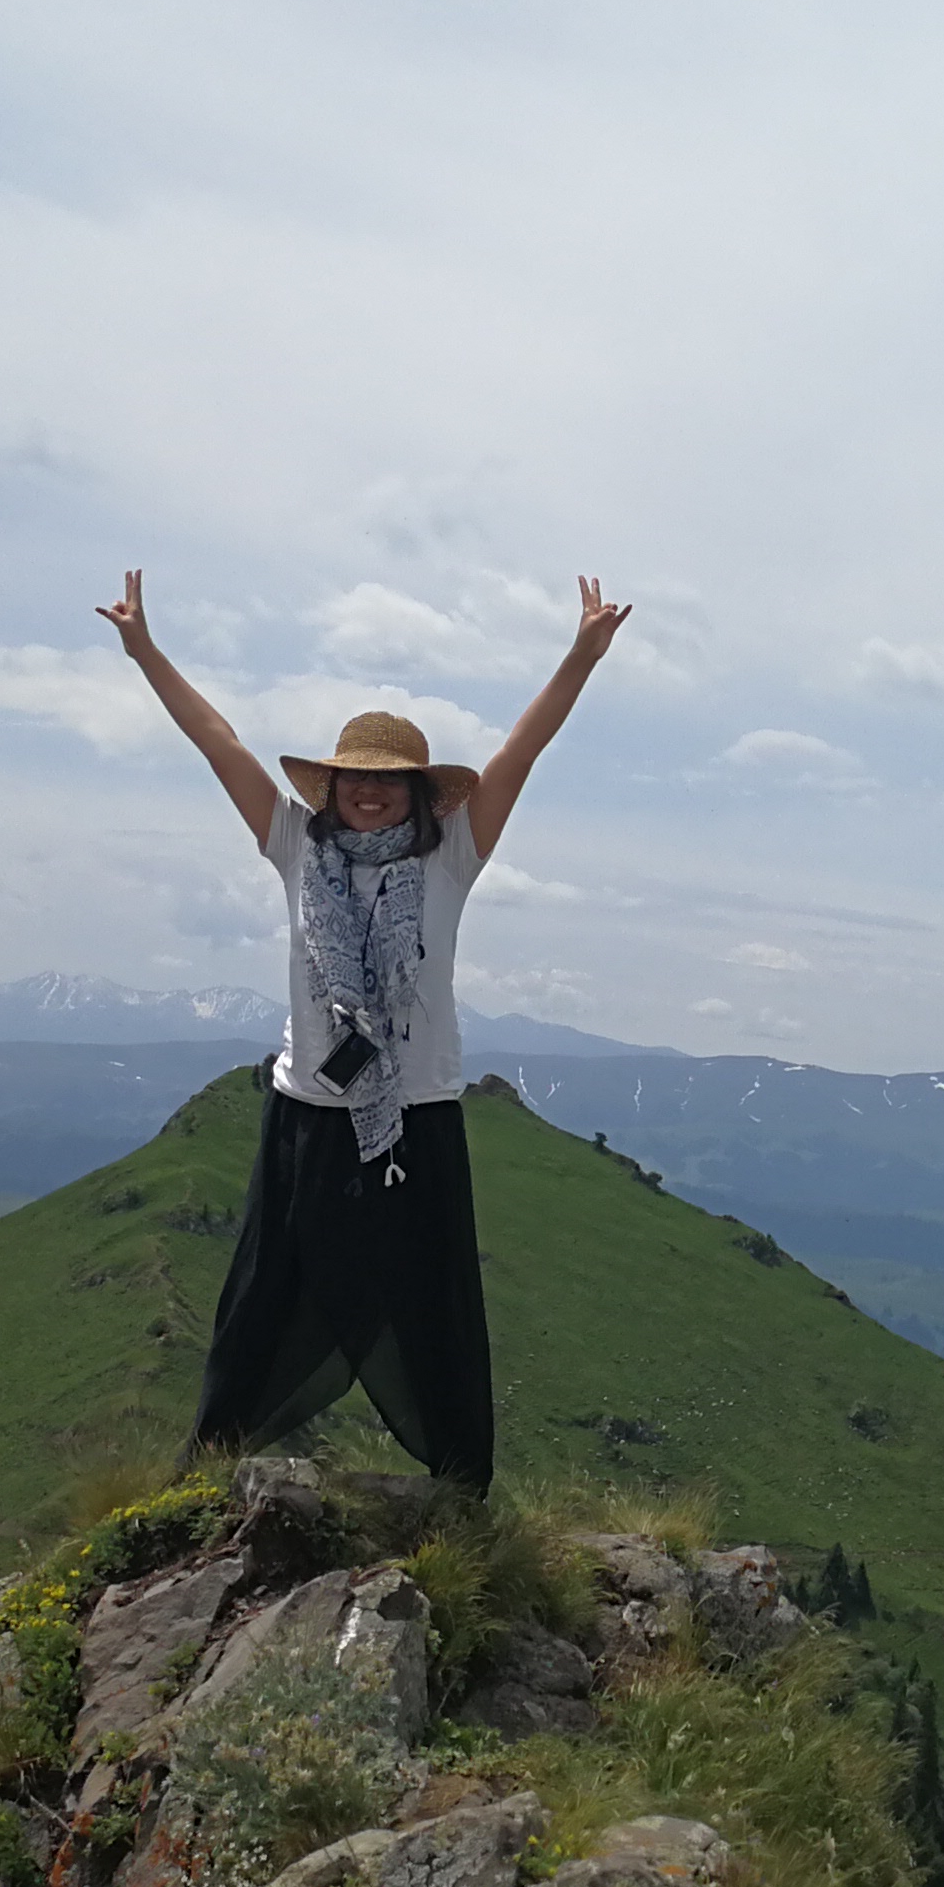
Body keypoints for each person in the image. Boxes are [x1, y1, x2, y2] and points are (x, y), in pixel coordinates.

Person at [99, 566, 629, 1490]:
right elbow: (216, 740)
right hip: (308, 1113)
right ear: (331, 788)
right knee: (261, 1297)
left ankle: (459, 1487)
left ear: (421, 794)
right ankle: (208, 1468)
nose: (368, 796)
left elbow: (521, 750)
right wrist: (146, 651)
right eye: (353, 781)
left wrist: (580, 656)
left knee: (435, 1307)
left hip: (415, 1118)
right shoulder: (295, 846)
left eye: (388, 784)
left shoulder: (452, 858)